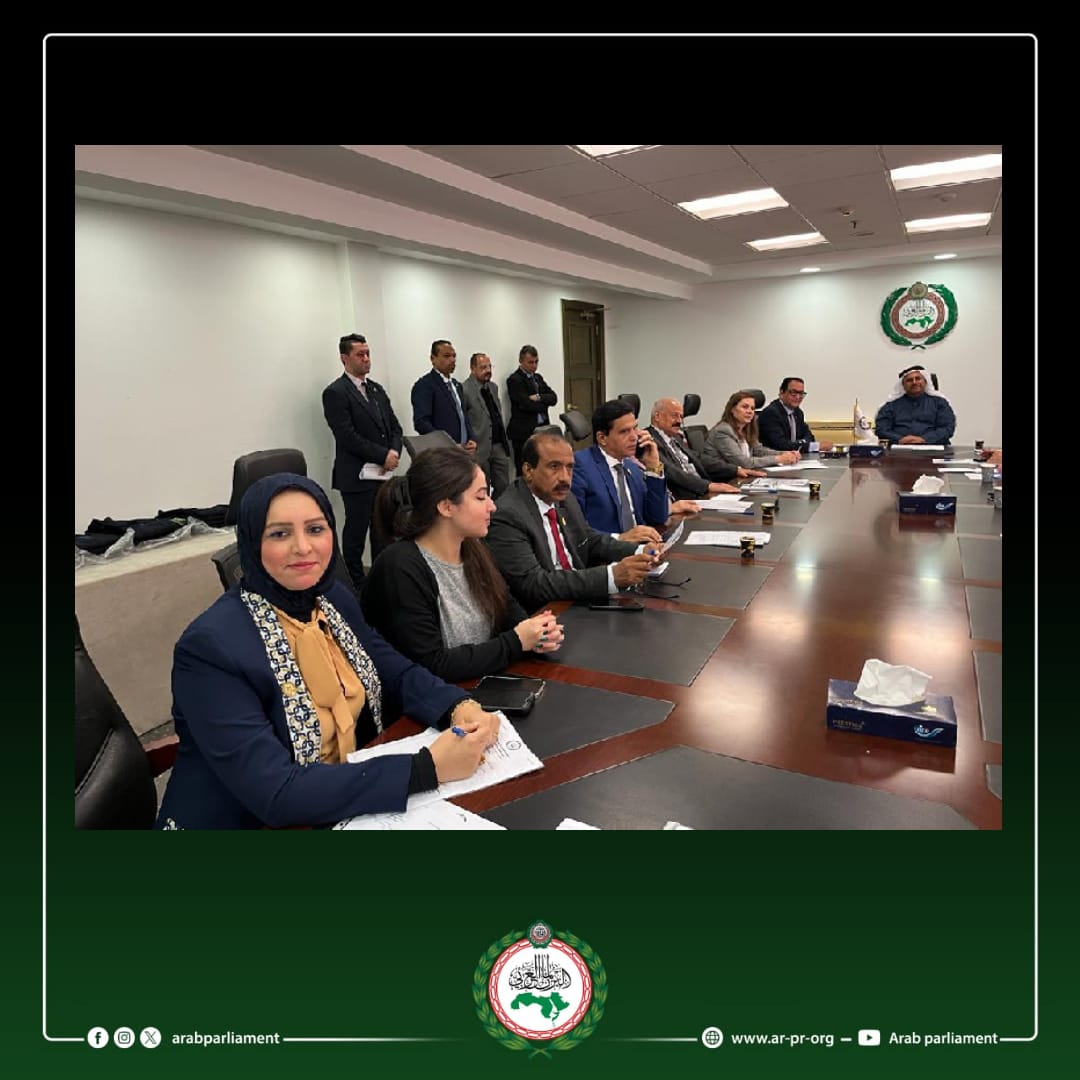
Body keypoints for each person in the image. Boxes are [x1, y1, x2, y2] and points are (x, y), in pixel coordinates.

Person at [155, 473, 498, 830]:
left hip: (342, 801)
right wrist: (426, 769)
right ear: (252, 542)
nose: (303, 547)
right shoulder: (209, 649)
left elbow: (393, 670)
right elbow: (275, 793)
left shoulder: (330, 598)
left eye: (316, 529)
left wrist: (457, 705)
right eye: (280, 534)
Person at [362, 446, 563, 681]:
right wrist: (517, 641)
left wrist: (538, 633)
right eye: (481, 497)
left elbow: (507, 609)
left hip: (481, 685)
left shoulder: (472, 548)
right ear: (446, 506)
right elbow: (432, 665)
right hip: (437, 698)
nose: (492, 506)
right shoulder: (400, 567)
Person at [486, 431, 661, 611]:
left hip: (578, 598)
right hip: (546, 612)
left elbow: (587, 539)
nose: (564, 477)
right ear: (528, 470)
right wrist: (610, 577)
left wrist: (639, 551)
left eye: (569, 467)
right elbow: (533, 584)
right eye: (554, 466)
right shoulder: (508, 516)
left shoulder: (563, 497)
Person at [322, 333, 404, 587]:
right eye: (360, 354)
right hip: (357, 476)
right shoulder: (336, 392)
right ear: (344, 358)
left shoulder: (376, 390)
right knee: (356, 533)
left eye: (368, 353)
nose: (367, 359)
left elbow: (395, 427)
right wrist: (382, 455)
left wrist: (394, 452)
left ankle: (382, 578)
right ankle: (355, 582)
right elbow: (347, 436)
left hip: (383, 474)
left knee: (383, 531)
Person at [571, 399, 699, 538]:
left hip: (643, 545)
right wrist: (620, 539)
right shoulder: (579, 466)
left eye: (635, 428)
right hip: (608, 549)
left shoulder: (631, 467)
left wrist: (653, 467)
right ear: (602, 438)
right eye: (624, 431)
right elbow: (575, 529)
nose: (634, 437)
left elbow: (657, 517)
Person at [646, 397, 763, 500]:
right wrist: (707, 486)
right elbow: (671, 471)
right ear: (657, 416)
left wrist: (735, 470)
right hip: (684, 497)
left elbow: (698, 458)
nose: (679, 421)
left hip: (701, 492)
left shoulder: (675, 437)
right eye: (674, 415)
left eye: (681, 416)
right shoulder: (649, 440)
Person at [701, 391, 801, 474]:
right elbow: (744, 463)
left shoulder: (747, 429)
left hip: (743, 475)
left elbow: (759, 451)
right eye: (745, 407)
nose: (750, 411)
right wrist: (779, 459)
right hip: (724, 480)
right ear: (732, 409)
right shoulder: (723, 431)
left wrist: (786, 453)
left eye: (752, 408)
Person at [461, 352, 512, 499]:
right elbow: (463, 420)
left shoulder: (493, 387)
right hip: (479, 446)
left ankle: (498, 510)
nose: (488, 370)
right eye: (483, 367)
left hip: (498, 444)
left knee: (503, 484)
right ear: (472, 369)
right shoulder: (465, 390)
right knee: (482, 487)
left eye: (489, 366)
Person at [410, 340, 477, 451]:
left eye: (454, 356)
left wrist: (472, 438)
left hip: (464, 450)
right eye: (446, 356)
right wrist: (447, 444)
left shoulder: (457, 385)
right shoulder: (425, 385)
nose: (452, 360)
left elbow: (463, 417)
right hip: (443, 453)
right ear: (433, 359)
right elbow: (421, 423)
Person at [873, 365, 956, 445]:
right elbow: (881, 429)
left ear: (925, 382)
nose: (914, 382)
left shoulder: (939, 402)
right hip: (900, 448)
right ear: (903, 385)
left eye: (918, 378)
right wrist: (899, 439)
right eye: (909, 380)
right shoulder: (890, 406)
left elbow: (947, 428)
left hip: (933, 447)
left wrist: (924, 439)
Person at [506, 345, 558, 473]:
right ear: (521, 361)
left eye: (536, 362)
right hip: (524, 432)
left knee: (542, 467)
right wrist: (544, 403)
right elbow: (526, 405)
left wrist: (539, 397)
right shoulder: (515, 380)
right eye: (530, 362)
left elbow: (554, 398)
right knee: (525, 469)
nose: (534, 366)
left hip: (542, 430)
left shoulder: (538, 378)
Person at [757, 378, 834, 453]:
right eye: (793, 392)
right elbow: (781, 445)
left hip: (795, 458)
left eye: (801, 393)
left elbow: (810, 437)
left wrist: (799, 443)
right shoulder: (771, 413)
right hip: (773, 458)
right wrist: (813, 446)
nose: (798, 397)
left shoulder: (798, 412)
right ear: (781, 392)